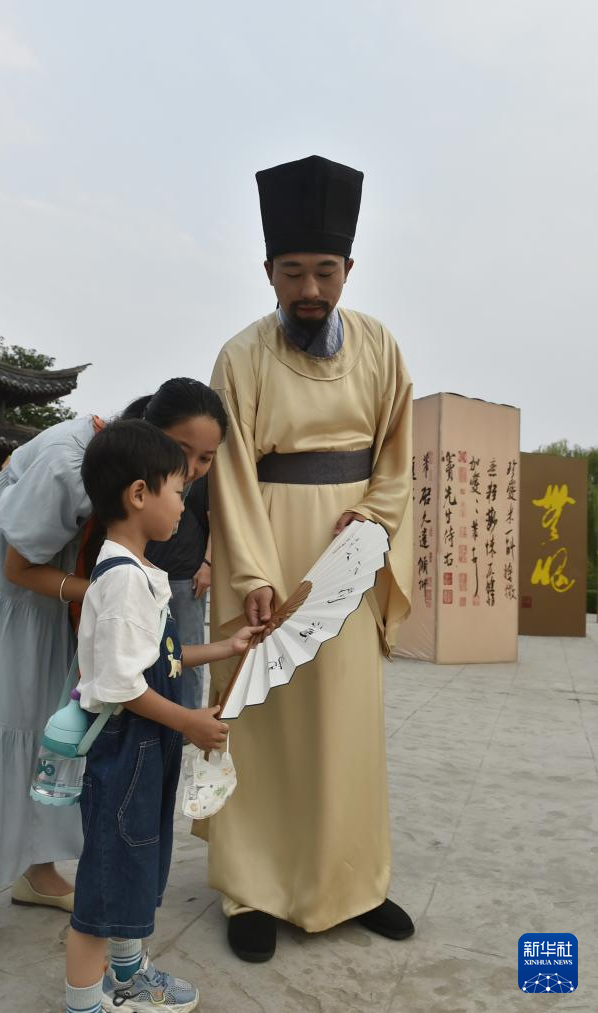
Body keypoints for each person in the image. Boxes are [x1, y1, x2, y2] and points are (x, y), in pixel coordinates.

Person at [203, 155, 415, 961]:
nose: (310, 289)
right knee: (265, 721)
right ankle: (252, 887)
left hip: (349, 560)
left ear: (348, 269)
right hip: (266, 552)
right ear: (269, 272)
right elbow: (229, 472)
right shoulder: (241, 356)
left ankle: (355, 883)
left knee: (345, 723)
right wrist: (253, 575)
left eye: (325, 270)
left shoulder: (381, 346)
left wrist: (375, 517)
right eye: (293, 272)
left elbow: (396, 456)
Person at [0, 377, 226, 988]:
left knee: (54, 726)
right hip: (7, 597)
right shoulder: (66, 464)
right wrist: (116, 594)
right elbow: (18, 566)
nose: (191, 471)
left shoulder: (142, 479)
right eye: (183, 452)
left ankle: (38, 871)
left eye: (206, 459)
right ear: (146, 433)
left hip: (61, 596)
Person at [65, 420, 261, 1013]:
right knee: (105, 888)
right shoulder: (124, 582)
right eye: (178, 490)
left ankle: (128, 973)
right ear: (138, 494)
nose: (183, 503)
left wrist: (224, 647)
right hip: (128, 746)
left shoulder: (140, 573)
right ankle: (83, 1002)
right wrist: (189, 722)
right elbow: (122, 685)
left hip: (146, 746)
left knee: (134, 865)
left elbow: (161, 657)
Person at [146, 475, 211, 713]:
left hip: (187, 574)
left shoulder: (202, 474)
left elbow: (217, 520)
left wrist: (208, 564)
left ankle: (189, 716)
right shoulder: (156, 467)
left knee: (187, 650)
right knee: (149, 649)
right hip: (149, 569)